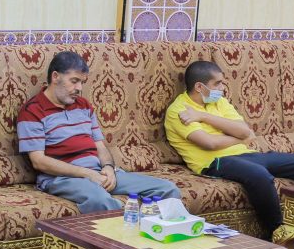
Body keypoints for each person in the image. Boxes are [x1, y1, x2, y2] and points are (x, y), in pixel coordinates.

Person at [165, 60, 294, 249]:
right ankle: (281, 233)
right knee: (259, 175)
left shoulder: (218, 102)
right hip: (215, 162)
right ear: (199, 87)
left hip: (248, 154)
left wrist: (204, 117)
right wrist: (241, 139)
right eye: (217, 83)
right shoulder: (179, 110)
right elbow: (209, 143)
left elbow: (244, 130)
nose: (222, 88)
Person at [17, 52, 180, 213]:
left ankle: (152, 229)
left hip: (98, 172)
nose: (79, 88)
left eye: (82, 82)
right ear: (55, 77)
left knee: (167, 189)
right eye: (74, 81)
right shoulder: (32, 111)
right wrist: (87, 174)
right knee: (101, 201)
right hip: (62, 178)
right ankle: (122, 231)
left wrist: (108, 168)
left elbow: (100, 146)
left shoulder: (83, 105)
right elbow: (39, 161)